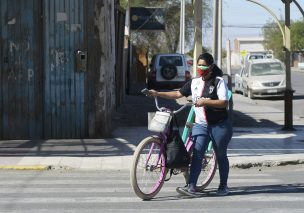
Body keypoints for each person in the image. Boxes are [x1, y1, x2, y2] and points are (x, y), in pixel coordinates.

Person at [146, 52, 233, 196]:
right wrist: (157, 93)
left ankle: (223, 186)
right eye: (199, 64)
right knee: (197, 154)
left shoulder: (218, 82)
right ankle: (191, 186)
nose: (200, 67)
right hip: (201, 125)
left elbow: (224, 103)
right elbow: (177, 94)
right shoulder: (194, 82)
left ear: (211, 67)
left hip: (219, 125)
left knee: (221, 155)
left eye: (204, 65)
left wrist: (205, 101)